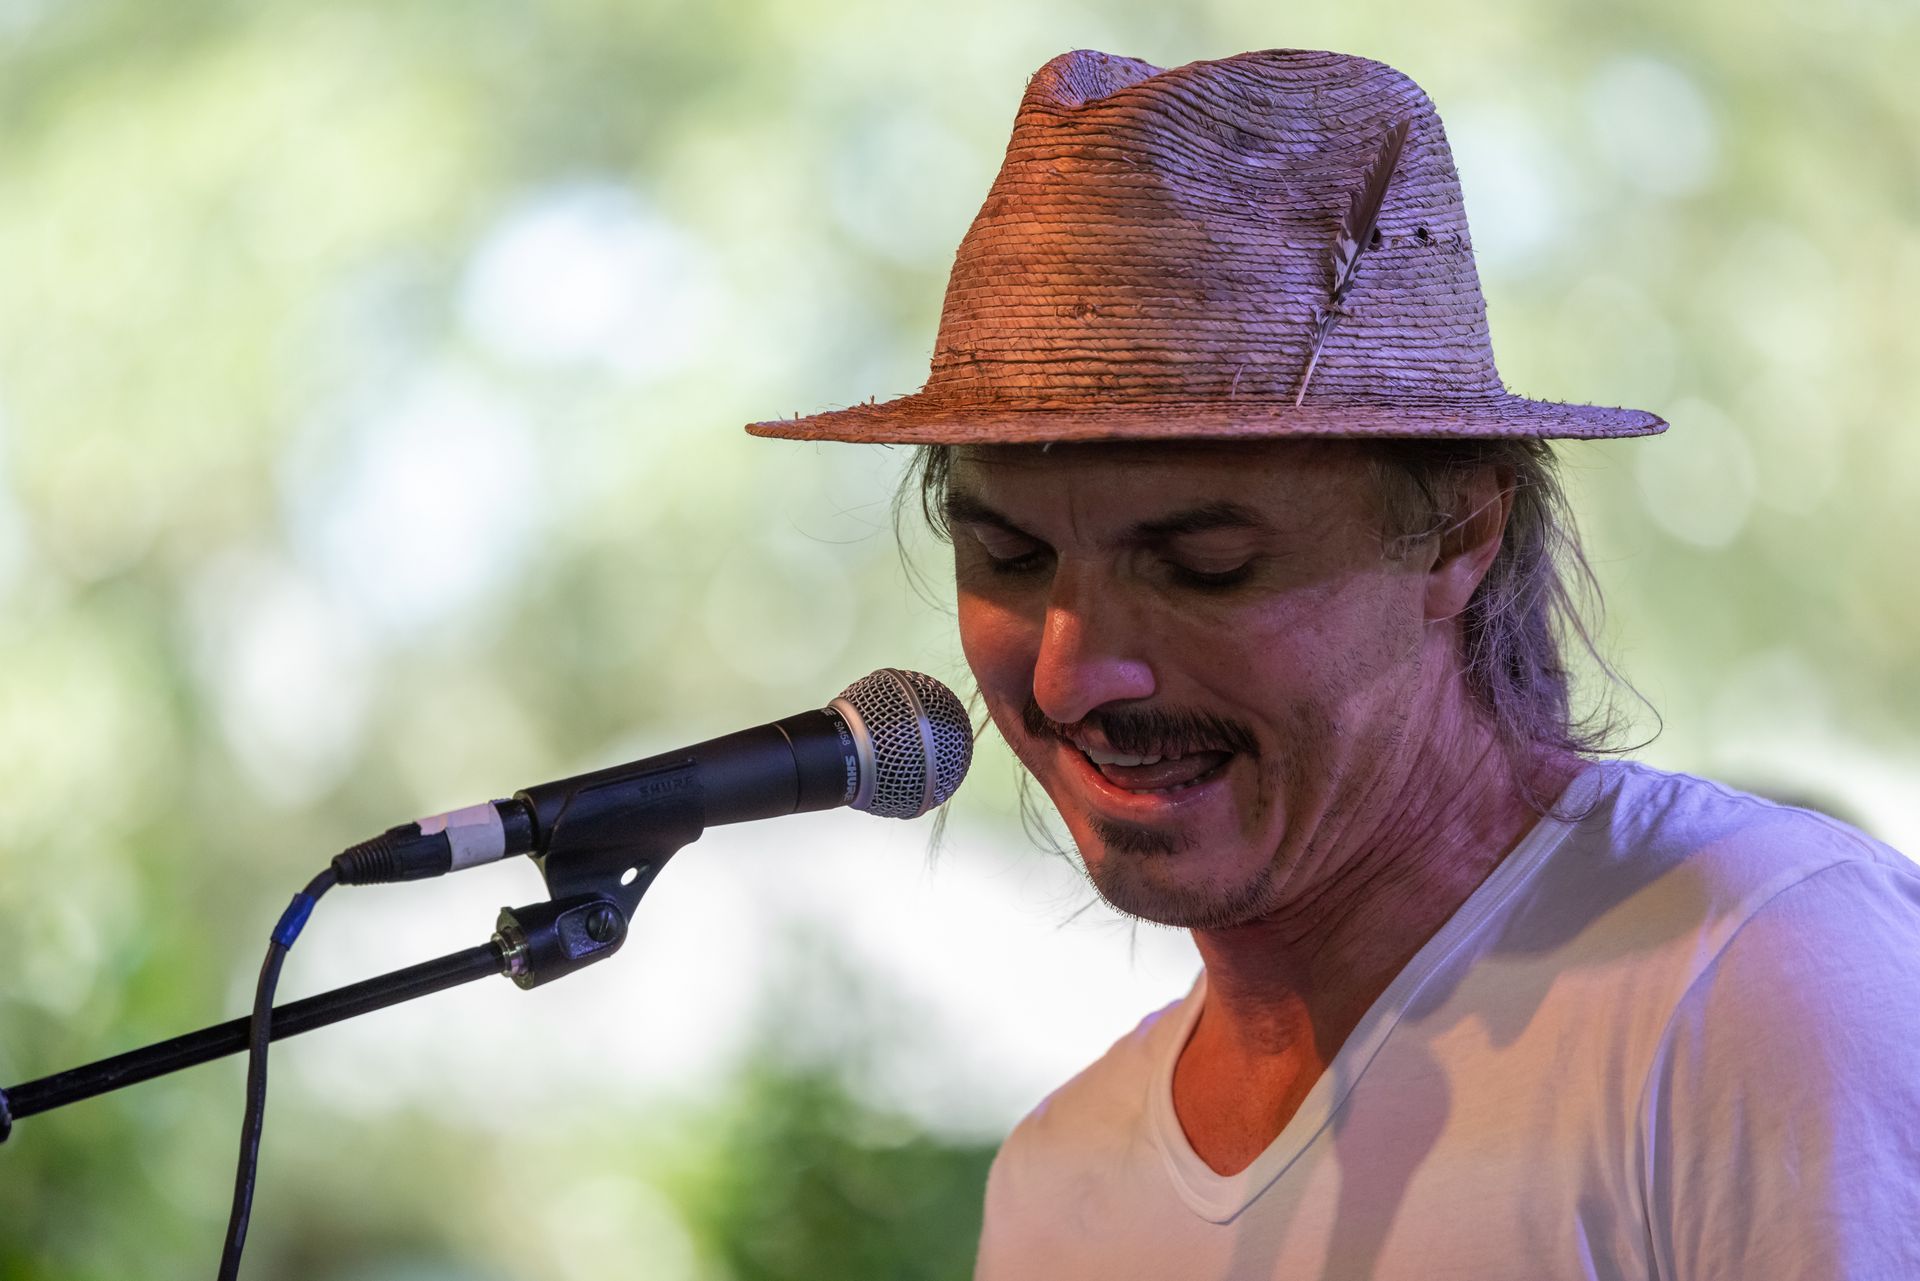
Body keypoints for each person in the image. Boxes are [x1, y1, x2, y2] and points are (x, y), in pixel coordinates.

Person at [748, 47, 1920, 1279]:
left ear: (1460, 532)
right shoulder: (1060, 1180)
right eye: (1011, 558)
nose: (1069, 677)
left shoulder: (1759, 974)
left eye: (1202, 565)